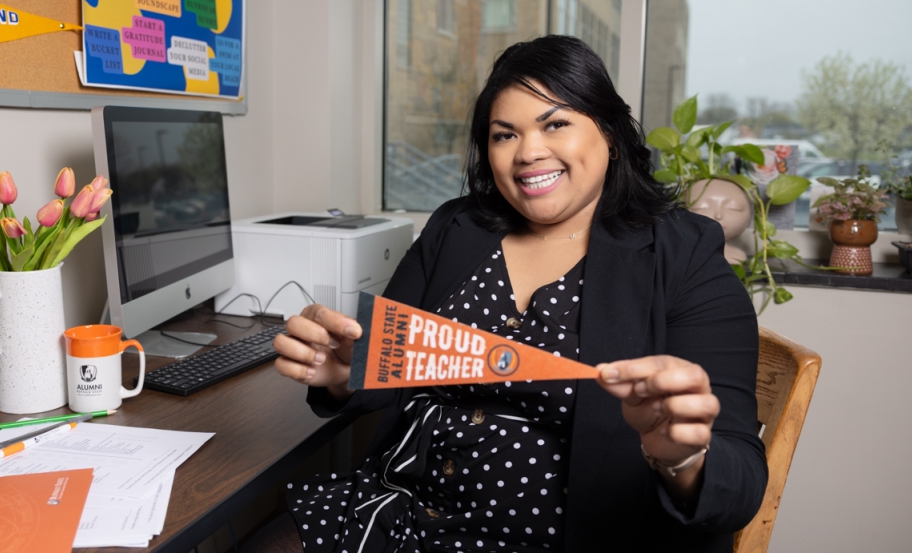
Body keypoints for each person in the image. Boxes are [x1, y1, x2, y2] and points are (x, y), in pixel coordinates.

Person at [263, 35, 767, 553]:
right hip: (399, 511)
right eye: (505, 134)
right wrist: (345, 375)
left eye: (556, 124)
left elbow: (742, 487)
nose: (528, 153)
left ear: (611, 134)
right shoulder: (456, 228)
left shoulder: (683, 255)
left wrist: (682, 458)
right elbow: (385, 368)